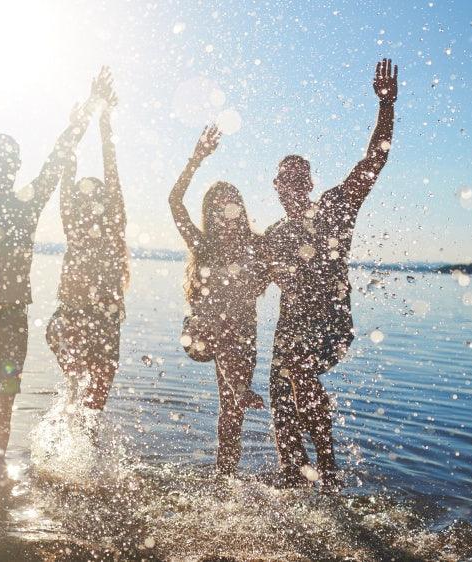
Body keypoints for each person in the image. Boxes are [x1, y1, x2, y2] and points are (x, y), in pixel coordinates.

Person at [0, 50, 106, 492]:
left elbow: (59, 154)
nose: (4, 163)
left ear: (14, 166)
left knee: (4, 400)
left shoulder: (26, 204)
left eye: (10, 158)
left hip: (12, 319)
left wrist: (88, 109)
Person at [262, 59, 398, 490]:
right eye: (288, 180)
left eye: (302, 179)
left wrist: (386, 106)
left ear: (310, 182)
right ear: (277, 187)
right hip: (291, 326)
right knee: (280, 395)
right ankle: (292, 474)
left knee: (301, 373)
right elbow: (248, 285)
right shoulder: (275, 235)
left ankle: (329, 471)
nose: (296, 187)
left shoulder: (335, 209)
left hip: (331, 324)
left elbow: (373, 162)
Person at [168, 125, 267, 475]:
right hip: (200, 334)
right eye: (216, 211)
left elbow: (286, 269)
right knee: (221, 327)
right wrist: (195, 160)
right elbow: (175, 202)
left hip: (240, 336)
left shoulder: (258, 248)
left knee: (231, 412)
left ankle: (225, 477)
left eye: (231, 209)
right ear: (209, 216)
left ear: (240, 211)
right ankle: (239, 386)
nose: (224, 217)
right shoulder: (203, 245)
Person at [46, 72, 129, 414]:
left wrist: (104, 120)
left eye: (95, 195)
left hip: (102, 319)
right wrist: (85, 118)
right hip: (76, 316)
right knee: (80, 399)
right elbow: (67, 170)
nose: (88, 201)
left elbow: (110, 166)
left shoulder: (112, 224)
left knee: (90, 406)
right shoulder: (73, 226)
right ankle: (67, 457)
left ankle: (76, 457)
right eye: (82, 197)